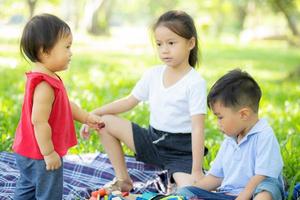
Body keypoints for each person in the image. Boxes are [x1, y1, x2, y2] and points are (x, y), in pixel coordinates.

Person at [80, 10, 207, 193]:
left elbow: (198, 129)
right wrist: (94, 114)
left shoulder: (194, 82)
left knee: (189, 192)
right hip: (153, 140)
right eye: (159, 44)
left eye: (171, 43)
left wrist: (196, 170)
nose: (164, 50)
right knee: (104, 122)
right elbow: (129, 101)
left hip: (181, 152)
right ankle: (123, 179)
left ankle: (178, 180)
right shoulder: (153, 74)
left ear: (191, 43)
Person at [13, 13, 103, 200]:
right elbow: (38, 121)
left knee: (27, 188)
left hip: (27, 150)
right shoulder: (45, 85)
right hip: (41, 154)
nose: (71, 53)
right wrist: (49, 153)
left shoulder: (47, 78)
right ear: (44, 51)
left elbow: (65, 105)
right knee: (49, 193)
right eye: (67, 47)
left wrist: (86, 117)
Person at [176, 69, 285, 200]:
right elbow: (216, 176)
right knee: (185, 192)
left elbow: (261, 176)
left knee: (267, 190)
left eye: (220, 117)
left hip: (255, 192)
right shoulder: (230, 139)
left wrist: (243, 197)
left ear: (243, 114)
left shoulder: (264, 135)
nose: (218, 123)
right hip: (228, 195)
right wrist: (194, 189)